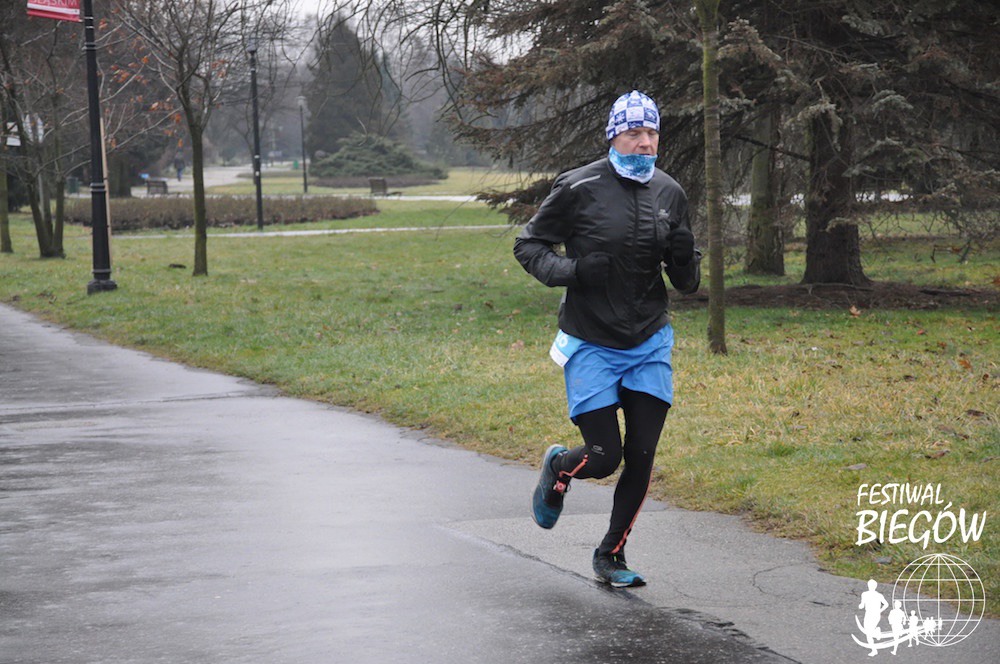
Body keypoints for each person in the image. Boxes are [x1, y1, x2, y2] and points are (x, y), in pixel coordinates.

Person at [514, 90, 700, 588]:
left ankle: (611, 555)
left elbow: (687, 283)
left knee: (642, 455)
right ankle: (559, 467)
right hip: (592, 339)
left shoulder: (670, 192)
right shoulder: (579, 186)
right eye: (634, 132)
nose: (645, 142)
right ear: (614, 136)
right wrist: (572, 270)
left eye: (652, 132)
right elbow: (528, 245)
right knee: (603, 458)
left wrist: (684, 257)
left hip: (649, 340)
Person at [858, 579, 889, 657]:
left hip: (872, 614)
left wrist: (880, 610)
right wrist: (880, 610)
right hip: (871, 614)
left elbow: (886, 604)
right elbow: (862, 604)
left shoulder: (869, 594)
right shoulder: (867, 594)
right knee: (868, 632)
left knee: (868, 633)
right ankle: (876, 632)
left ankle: (874, 649)